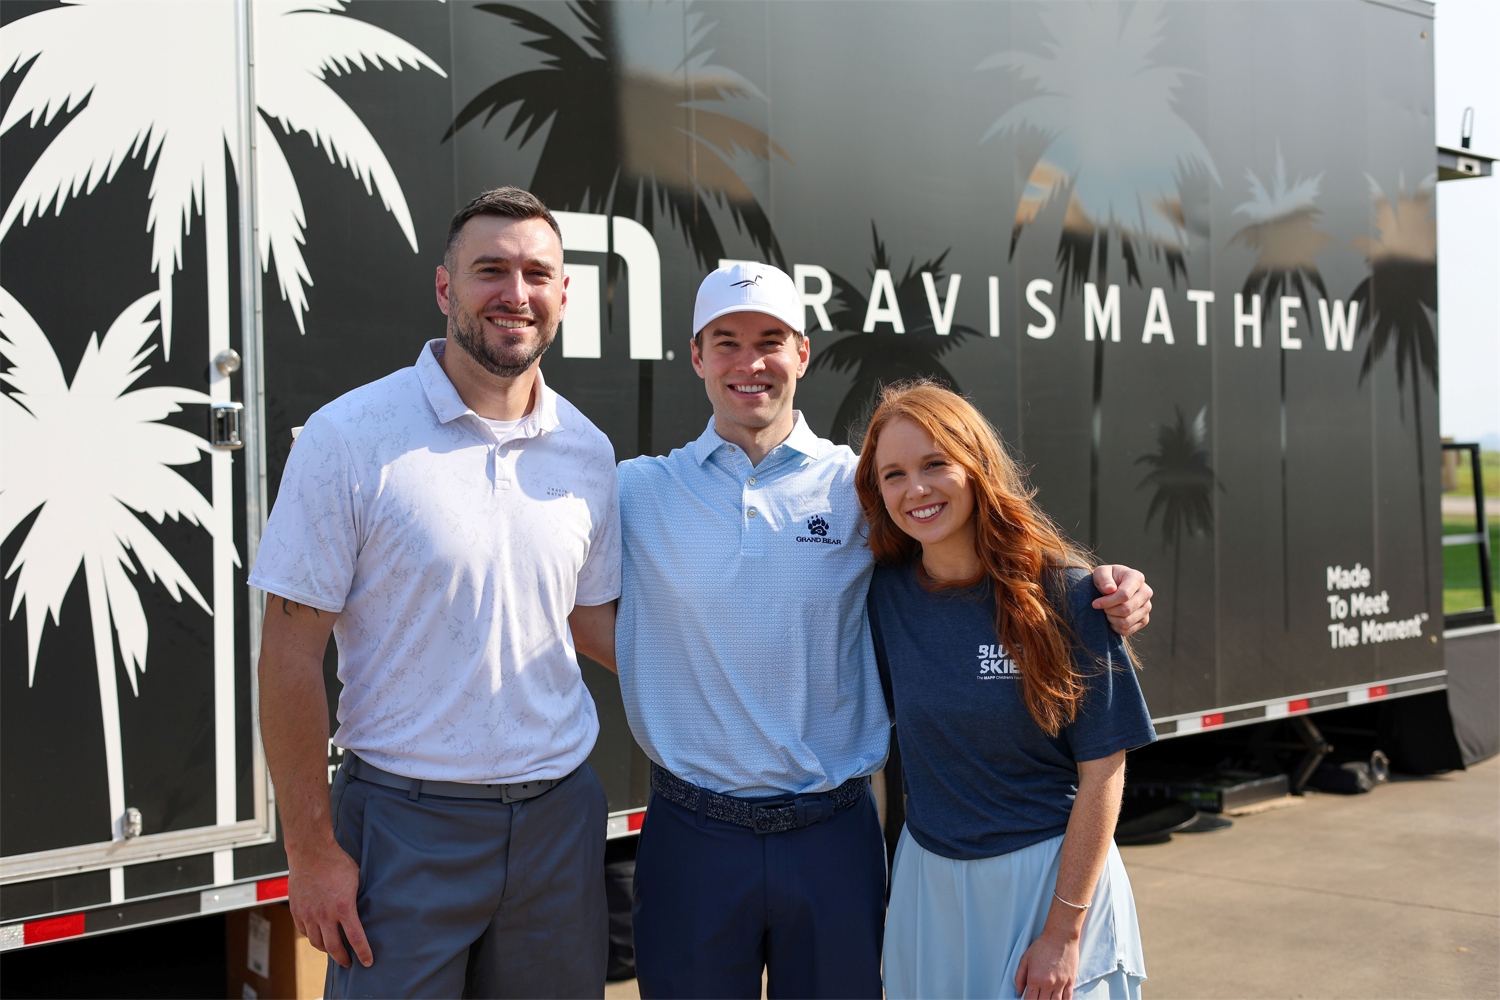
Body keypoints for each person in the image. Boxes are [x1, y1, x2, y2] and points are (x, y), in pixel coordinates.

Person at [569, 262, 1153, 999]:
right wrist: (673, 668)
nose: (749, 363)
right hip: (693, 832)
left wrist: (1104, 583)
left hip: (833, 834)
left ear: (803, 353)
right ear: (696, 356)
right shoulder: (638, 490)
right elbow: (568, 598)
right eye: (726, 342)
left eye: (770, 340)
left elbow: (981, 557)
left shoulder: (862, 487)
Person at [249, 187, 622, 998]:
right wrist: (310, 851)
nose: (514, 294)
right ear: (446, 288)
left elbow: (591, 621)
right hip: (403, 826)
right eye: (490, 270)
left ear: (564, 295)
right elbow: (288, 651)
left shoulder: (587, 452)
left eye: (536, 273)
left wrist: (738, 693)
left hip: (559, 823)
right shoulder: (351, 438)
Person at [856, 381, 1156, 1000]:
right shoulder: (883, 597)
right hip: (928, 885)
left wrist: (1064, 932)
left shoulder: (1071, 596)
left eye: (935, 463)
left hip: (1047, 885)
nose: (916, 489)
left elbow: (1104, 773)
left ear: (976, 465)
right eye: (894, 474)